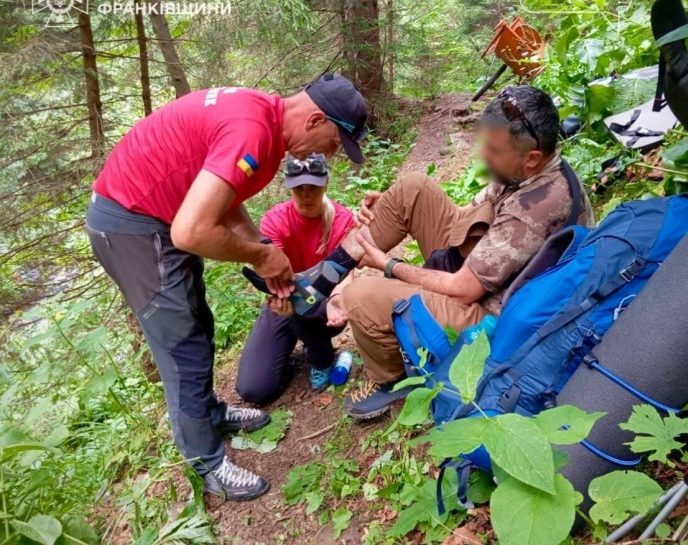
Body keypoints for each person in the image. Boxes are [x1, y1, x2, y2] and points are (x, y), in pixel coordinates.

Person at [85, 74, 367, 500]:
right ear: (314, 119)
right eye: (333, 143)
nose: (331, 155)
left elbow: (224, 200)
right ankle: (207, 463)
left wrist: (262, 248)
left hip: (154, 217)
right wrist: (260, 255)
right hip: (133, 224)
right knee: (181, 344)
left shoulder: (263, 120)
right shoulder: (253, 132)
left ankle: (211, 414)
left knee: (197, 321)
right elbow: (192, 230)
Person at [335, 85, 594, 419]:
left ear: (531, 157)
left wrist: (388, 265)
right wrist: (390, 203)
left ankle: (391, 380)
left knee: (362, 295)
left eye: (494, 149)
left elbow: (465, 288)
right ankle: (332, 270)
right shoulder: (523, 172)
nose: (483, 154)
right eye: (485, 143)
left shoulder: (537, 206)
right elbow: (467, 214)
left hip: (496, 318)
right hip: (491, 273)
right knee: (414, 188)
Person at [236, 154, 355, 403]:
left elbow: (348, 271)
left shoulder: (343, 220)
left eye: (313, 186)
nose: (306, 195)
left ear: (326, 183)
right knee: (253, 389)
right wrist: (277, 295)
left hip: (324, 303)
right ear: (288, 187)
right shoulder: (275, 220)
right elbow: (272, 273)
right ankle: (291, 341)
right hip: (287, 300)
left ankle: (321, 357)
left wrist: (337, 298)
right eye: (298, 188)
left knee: (311, 308)